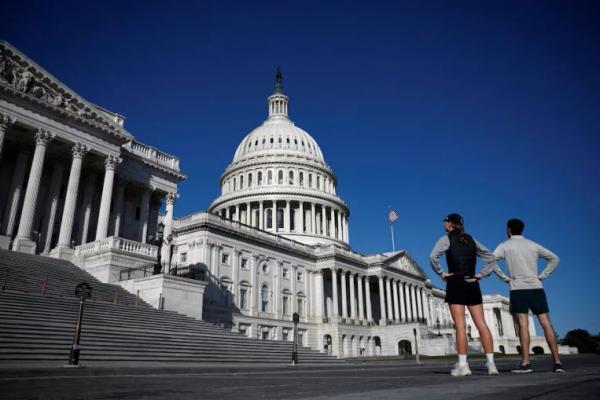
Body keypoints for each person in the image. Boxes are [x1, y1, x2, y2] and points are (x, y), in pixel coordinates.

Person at [430, 213, 500, 377]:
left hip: (455, 282)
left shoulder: (446, 239)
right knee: (481, 323)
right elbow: (491, 257)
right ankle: (491, 364)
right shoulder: (471, 239)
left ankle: (463, 365)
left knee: (460, 325)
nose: (444, 224)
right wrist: (482, 274)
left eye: (446, 222)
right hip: (472, 282)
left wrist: (441, 273)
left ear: (450, 224)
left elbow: (433, 256)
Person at [493, 218, 564, 373]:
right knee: (546, 323)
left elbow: (491, 261)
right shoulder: (533, 245)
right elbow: (555, 258)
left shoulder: (505, 245)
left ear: (509, 229)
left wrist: (504, 277)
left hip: (517, 288)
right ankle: (557, 363)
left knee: (523, 325)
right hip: (536, 287)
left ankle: (526, 363)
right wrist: (543, 275)